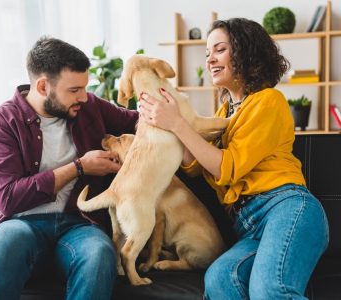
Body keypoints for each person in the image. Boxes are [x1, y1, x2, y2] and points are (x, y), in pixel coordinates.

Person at [139, 18, 329, 299]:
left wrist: (179, 124)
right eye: (207, 53)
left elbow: (227, 167)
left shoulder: (268, 101)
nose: (210, 60)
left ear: (245, 52)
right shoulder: (223, 114)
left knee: (270, 290)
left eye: (219, 50)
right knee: (219, 281)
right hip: (247, 225)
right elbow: (193, 166)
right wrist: (167, 121)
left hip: (285, 208)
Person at [0, 37, 138, 300]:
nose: (84, 97)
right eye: (74, 90)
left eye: (84, 88)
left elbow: (137, 122)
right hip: (21, 223)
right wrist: (79, 167)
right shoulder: (3, 122)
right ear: (43, 86)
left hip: (79, 223)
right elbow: (8, 198)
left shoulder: (90, 107)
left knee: (99, 252)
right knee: (7, 241)